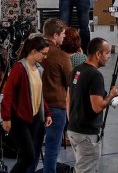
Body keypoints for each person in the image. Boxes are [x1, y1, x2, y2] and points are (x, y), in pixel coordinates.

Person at [66, 37, 118, 172]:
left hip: (73, 129)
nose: (109, 56)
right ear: (97, 54)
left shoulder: (77, 70)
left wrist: (71, 121)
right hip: (87, 134)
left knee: (81, 166)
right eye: (107, 53)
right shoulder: (95, 75)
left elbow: (68, 98)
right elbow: (97, 106)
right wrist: (111, 96)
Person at [1, 36, 53, 173]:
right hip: (19, 119)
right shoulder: (19, 68)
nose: (45, 57)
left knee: (27, 156)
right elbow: (8, 93)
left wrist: (47, 113)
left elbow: (40, 95)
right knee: (29, 156)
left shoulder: (39, 69)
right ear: (34, 51)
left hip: (35, 118)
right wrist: (6, 118)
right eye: (44, 54)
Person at [40, 18, 71, 173]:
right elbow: (70, 82)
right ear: (56, 35)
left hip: (34, 105)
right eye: (63, 34)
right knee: (52, 151)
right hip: (55, 107)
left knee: (31, 151)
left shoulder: (31, 50)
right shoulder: (61, 56)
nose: (64, 37)